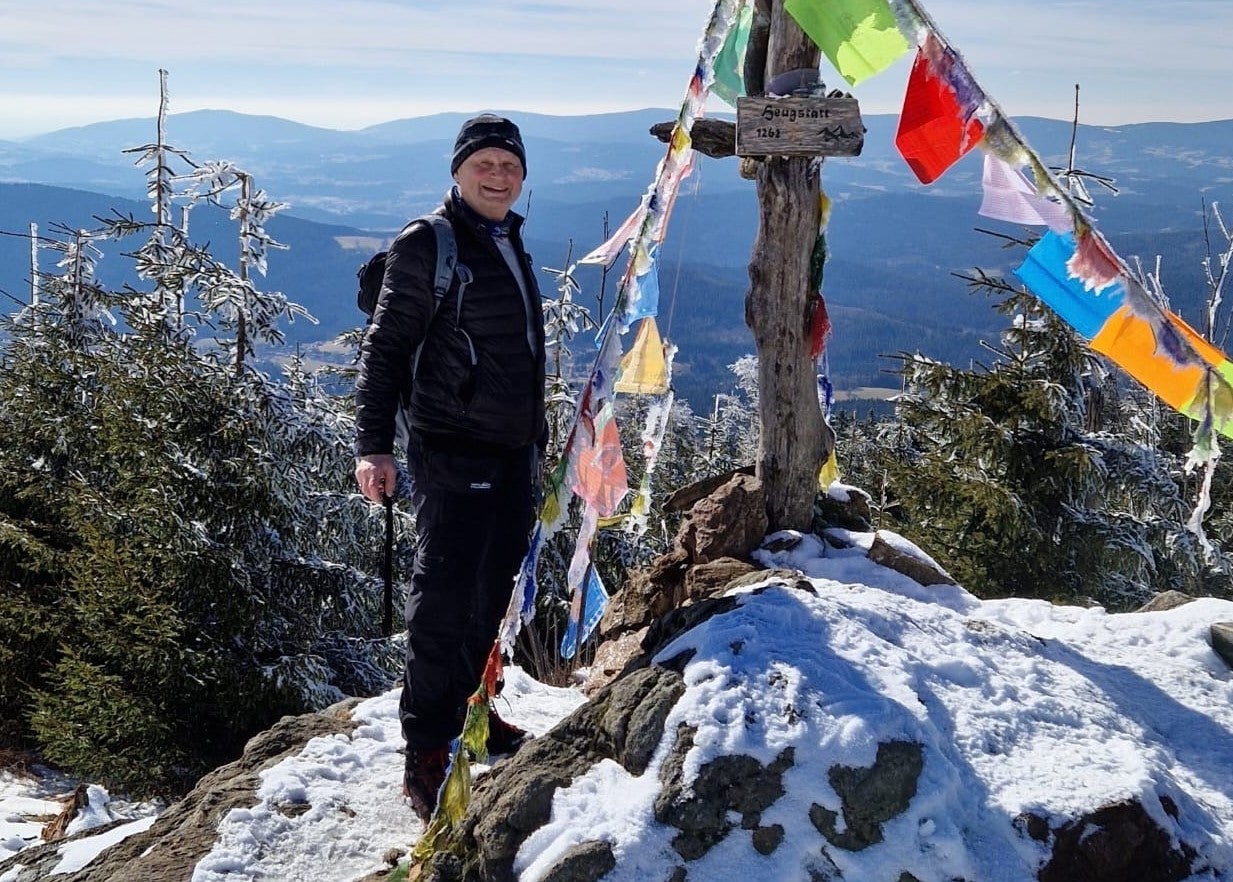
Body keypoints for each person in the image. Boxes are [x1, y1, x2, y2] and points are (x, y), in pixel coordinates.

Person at [353, 114, 546, 823]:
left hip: (511, 452)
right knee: (444, 602)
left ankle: (473, 714)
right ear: (458, 172)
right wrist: (372, 445)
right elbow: (384, 350)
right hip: (451, 451)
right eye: (484, 165)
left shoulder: (504, 239)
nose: (498, 176)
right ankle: (426, 749)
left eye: (510, 166)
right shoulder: (428, 243)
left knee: (491, 597)